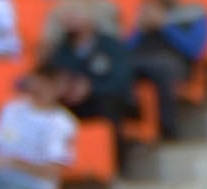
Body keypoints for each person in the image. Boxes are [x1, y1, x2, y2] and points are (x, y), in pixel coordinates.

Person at [42, 0, 141, 130]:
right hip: (72, 102)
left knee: (108, 104)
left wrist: (90, 89)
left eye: (76, 13)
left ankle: (116, 146)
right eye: (68, 14)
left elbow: (121, 80)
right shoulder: (61, 51)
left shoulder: (111, 46)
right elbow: (52, 76)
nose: (71, 17)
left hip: (106, 98)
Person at [122, 0, 207, 135]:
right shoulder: (145, 15)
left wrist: (165, 25)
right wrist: (140, 28)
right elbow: (126, 49)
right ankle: (131, 112)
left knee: (163, 69)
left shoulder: (194, 14)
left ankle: (168, 126)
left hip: (175, 62)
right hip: (141, 58)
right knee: (121, 66)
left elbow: (194, 50)